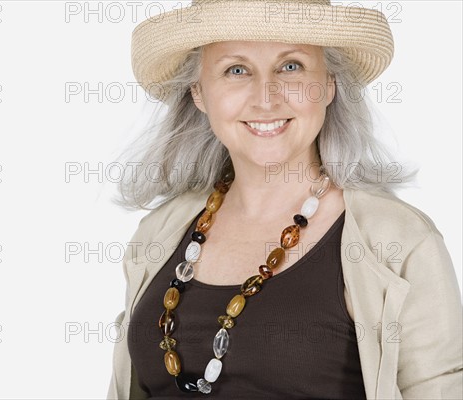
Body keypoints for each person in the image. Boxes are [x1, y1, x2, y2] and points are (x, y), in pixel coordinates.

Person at [107, 0, 462, 398]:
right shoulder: (158, 234)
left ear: (329, 84)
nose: (266, 97)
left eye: (290, 66)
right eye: (235, 70)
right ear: (199, 93)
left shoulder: (396, 241)